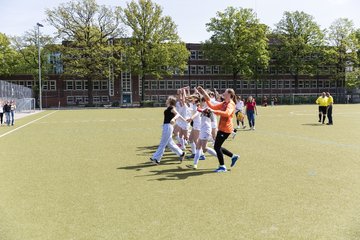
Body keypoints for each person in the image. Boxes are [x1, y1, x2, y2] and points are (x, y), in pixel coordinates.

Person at [197, 86, 240, 173]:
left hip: (226, 129)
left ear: (230, 95)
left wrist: (213, 111)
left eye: (225, 93)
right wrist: (203, 94)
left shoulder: (231, 104)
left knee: (216, 147)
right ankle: (233, 156)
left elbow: (227, 113)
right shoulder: (224, 103)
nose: (223, 93)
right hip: (222, 128)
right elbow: (212, 106)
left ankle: (222, 166)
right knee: (217, 146)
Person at [150, 96, 187, 165]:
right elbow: (178, 115)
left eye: (168, 99)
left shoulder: (172, 107)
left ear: (170, 101)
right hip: (166, 126)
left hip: (168, 126)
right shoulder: (169, 107)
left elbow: (177, 114)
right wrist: (184, 120)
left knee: (162, 143)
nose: (166, 100)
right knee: (170, 144)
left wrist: (174, 119)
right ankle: (181, 153)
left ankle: (156, 158)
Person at [188, 97, 218, 169]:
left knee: (204, 148)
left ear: (205, 102)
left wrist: (191, 118)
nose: (200, 103)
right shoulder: (203, 108)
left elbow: (199, 110)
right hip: (202, 129)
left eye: (201, 101)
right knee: (198, 147)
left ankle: (219, 156)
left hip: (206, 130)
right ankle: (195, 164)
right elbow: (198, 111)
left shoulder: (208, 109)